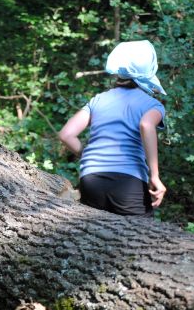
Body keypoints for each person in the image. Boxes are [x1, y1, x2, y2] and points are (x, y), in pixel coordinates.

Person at [58, 40, 167, 216]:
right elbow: (146, 125)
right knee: (138, 235)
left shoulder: (98, 99)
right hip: (128, 181)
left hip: (91, 179)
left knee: (96, 234)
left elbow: (66, 134)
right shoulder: (152, 105)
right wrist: (155, 176)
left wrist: (89, 156)